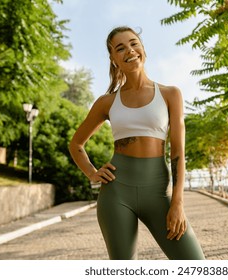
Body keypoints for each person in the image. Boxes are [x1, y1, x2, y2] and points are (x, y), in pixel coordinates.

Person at [69, 26, 205, 260]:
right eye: (120, 48)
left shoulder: (170, 94)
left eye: (134, 43)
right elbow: (76, 144)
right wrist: (92, 174)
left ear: (143, 49)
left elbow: (178, 153)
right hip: (117, 193)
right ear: (113, 59)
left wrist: (178, 203)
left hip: (159, 192)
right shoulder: (106, 102)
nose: (129, 50)